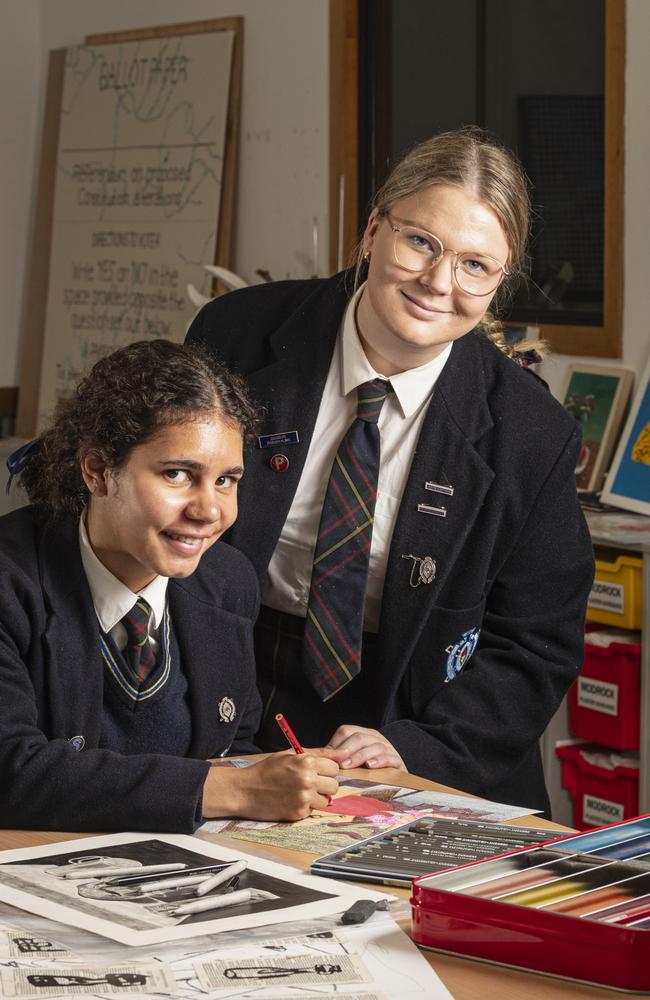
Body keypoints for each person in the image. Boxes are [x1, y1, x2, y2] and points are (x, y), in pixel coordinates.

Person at [186, 127, 595, 815]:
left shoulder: (532, 433)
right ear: (373, 230)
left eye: (475, 266)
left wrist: (418, 746)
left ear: (500, 283)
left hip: (421, 711)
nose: (439, 283)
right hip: (236, 676)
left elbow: (535, 644)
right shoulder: (235, 336)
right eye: (421, 243)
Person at [0, 340, 338, 833]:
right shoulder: (12, 582)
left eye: (226, 481)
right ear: (97, 471)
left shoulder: (227, 581)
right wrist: (232, 789)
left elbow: (234, 748)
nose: (208, 511)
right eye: (178, 474)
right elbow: (12, 771)